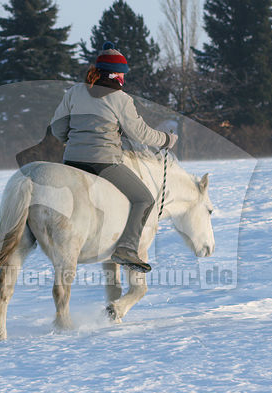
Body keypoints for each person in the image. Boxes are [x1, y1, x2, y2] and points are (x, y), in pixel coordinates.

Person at [50, 41, 177, 273]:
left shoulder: (75, 91)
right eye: (122, 74)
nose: (124, 79)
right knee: (144, 199)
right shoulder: (121, 99)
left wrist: (74, 140)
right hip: (103, 163)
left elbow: (57, 127)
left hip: (71, 162)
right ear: (115, 74)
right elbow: (140, 133)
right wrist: (167, 140)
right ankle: (126, 249)